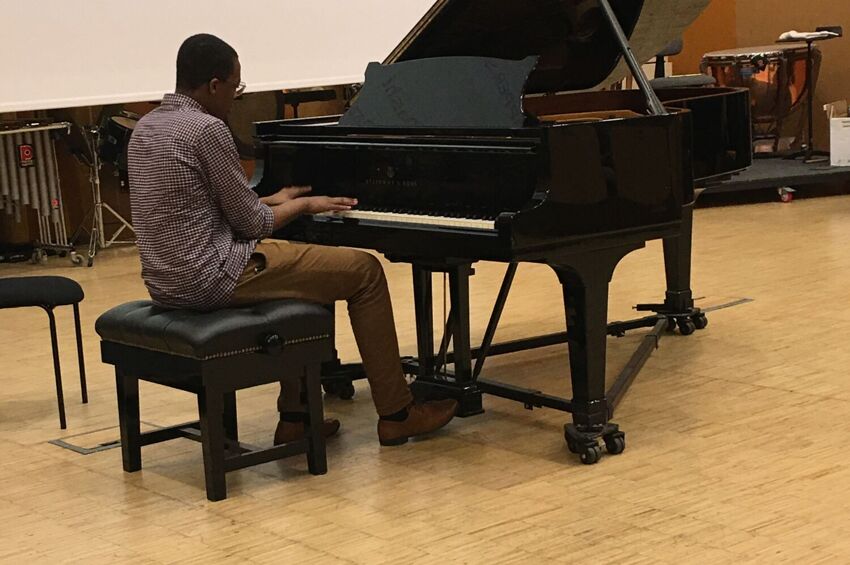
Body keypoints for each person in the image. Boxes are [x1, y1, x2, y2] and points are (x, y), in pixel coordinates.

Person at [127, 33, 457, 447]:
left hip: (166, 282)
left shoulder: (148, 127)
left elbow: (204, 206)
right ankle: (398, 414)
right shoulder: (207, 129)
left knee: (312, 271)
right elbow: (253, 225)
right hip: (212, 277)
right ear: (213, 85)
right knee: (365, 272)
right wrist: (305, 204)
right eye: (235, 88)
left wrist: (271, 198)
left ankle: (297, 417)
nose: (235, 98)